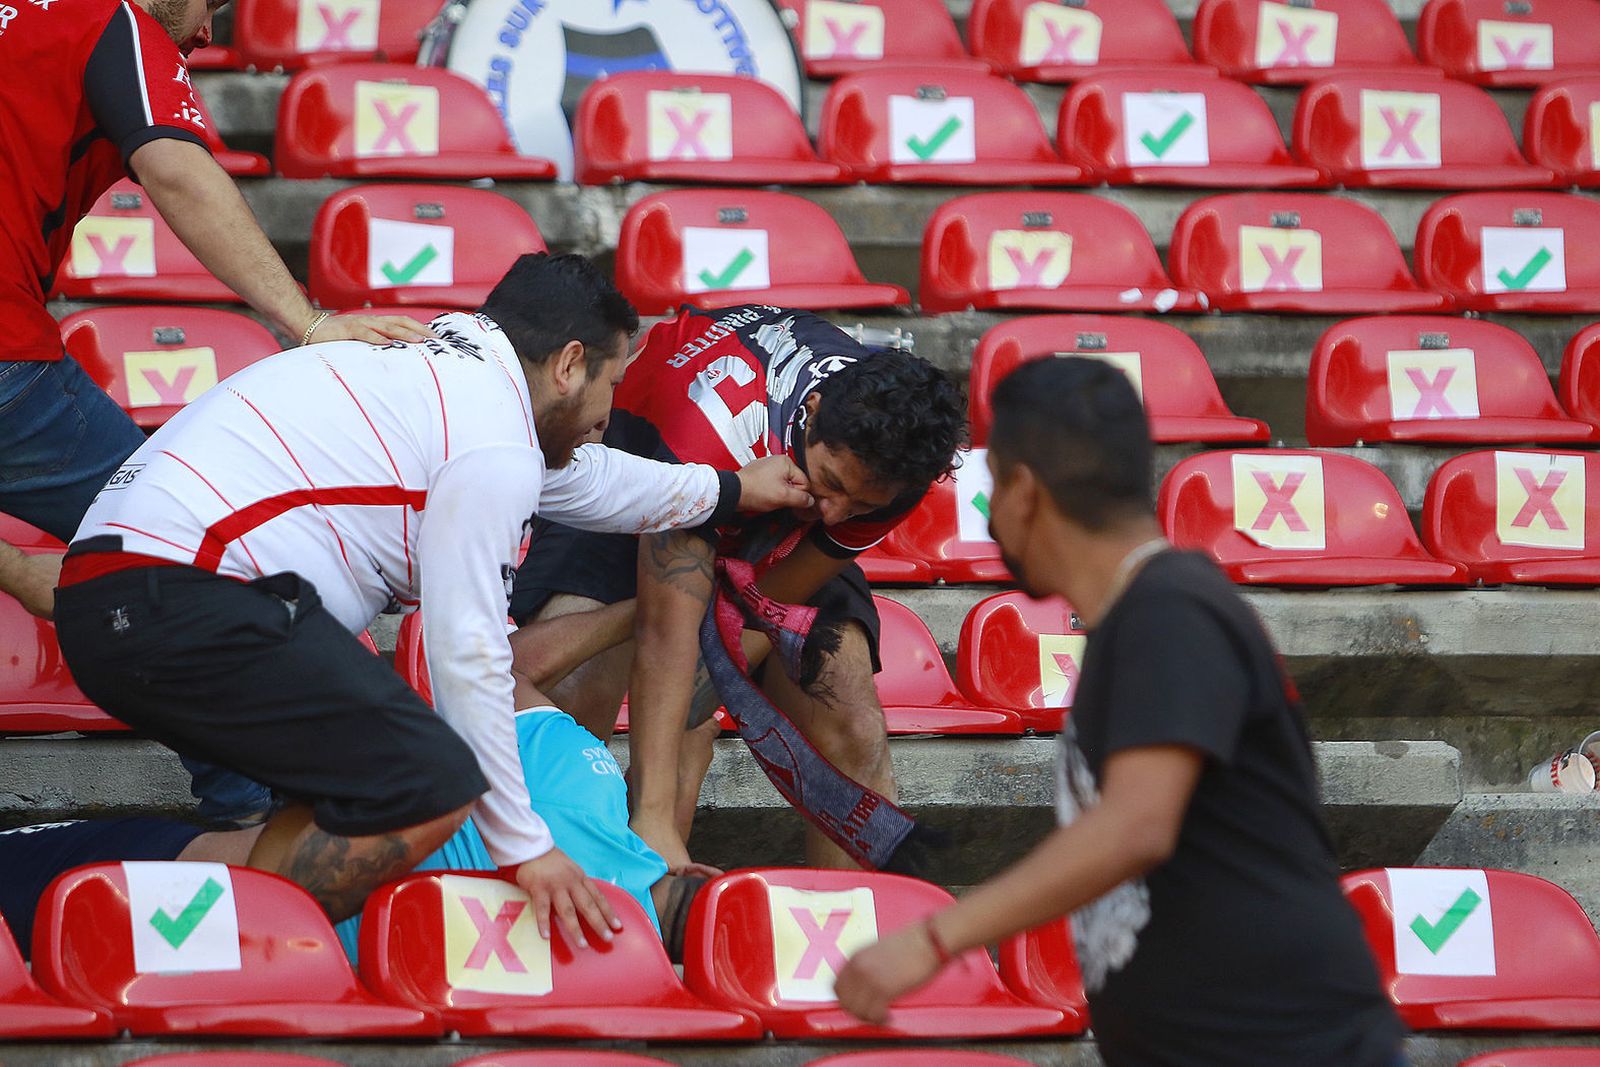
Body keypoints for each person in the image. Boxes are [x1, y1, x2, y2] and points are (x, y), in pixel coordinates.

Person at [50, 254, 812, 944]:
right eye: (610, 386)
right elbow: (467, 651)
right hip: (181, 594)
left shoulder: (456, 379)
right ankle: (253, 953)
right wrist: (526, 848)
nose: (607, 417)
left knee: (352, 786)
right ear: (571, 365)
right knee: (432, 779)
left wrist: (735, 489)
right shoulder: (493, 443)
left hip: (126, 591)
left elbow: (590, 479)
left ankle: (184, 922)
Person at [833, 358, 1408, 1067]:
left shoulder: (1170, 609)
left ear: (1023, 491)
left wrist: (933, 937)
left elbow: (1137, 823)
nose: (986, 514)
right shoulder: (1144, 615)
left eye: (991, 487)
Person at [0, 0, 432, 618]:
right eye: (211, 3)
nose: (207, 30)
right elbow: (175, 169)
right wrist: (309, 322)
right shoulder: (113, 19)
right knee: (202, 542)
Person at [508, 304, 965, 871]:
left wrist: (709, 673)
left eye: (861, 506)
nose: (837, 513)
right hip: (649, 463)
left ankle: (857, 943)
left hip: (773, 492)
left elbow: (764, 602)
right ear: (812, 413)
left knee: (849, 720)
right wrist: (652, 813)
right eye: (832, 485)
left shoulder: (895, 467)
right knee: (573, 704)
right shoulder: (713, 431)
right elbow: (667, 626)